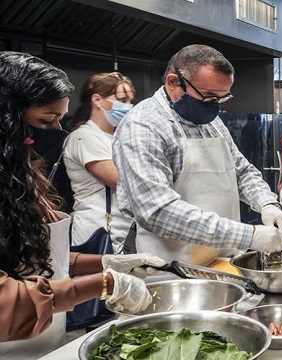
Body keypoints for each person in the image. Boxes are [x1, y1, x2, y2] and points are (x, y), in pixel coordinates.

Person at [0, 51, 164, 358]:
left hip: (42, 338)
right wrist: (102, 283)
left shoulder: (17, 172)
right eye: (46, 120)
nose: (57, 130)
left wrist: (103, 263)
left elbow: (30, 254)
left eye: (59, 118)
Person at [112, 45, 282, 266]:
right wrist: (249, 236)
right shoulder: (143, 125)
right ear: (173, 82)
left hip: (220, 259)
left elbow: (241, 171)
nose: (213, 106)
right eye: (208, 96)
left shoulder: (212, 123)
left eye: (220, 98)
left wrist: (267, 205)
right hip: (168, 268)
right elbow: (158, 211)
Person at [64, 72, 136, 253]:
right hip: (98, 231)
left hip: (122, 229)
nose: (128, 106)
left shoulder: (116, 137)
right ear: (97, 100)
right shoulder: (84, 137)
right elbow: (120, 182)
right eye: (122, 100)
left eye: (129, 101)